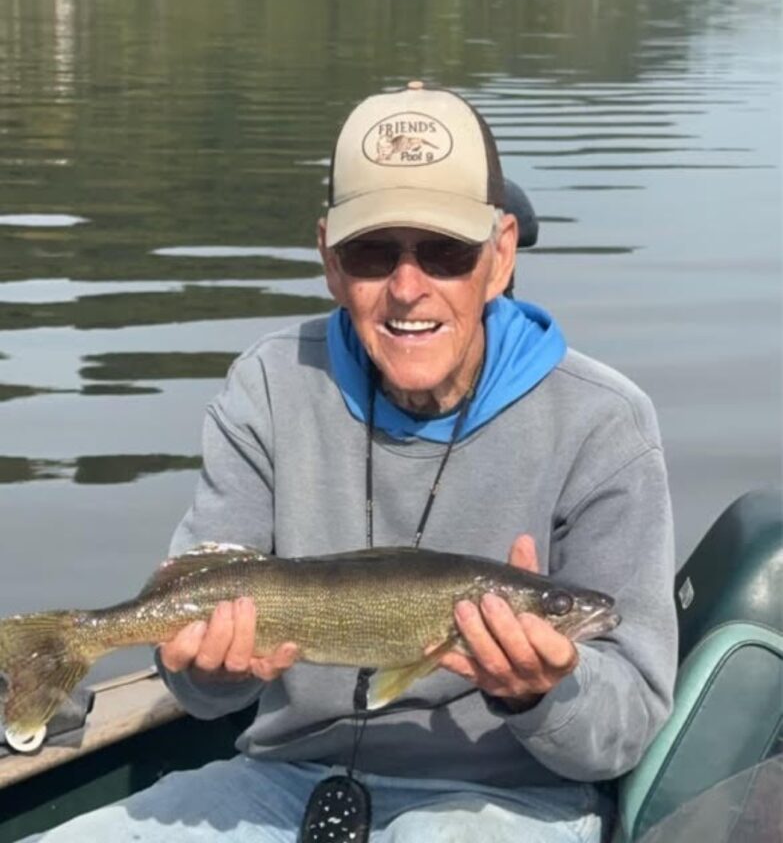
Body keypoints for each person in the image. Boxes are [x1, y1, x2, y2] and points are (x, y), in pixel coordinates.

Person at [33, 81, 677, 842]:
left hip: (510, 802)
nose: (407, 289)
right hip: (280, 778)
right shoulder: (267, 388)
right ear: (329, 261)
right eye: (372, 253)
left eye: (445, 252)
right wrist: (205, 674)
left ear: (500, 255)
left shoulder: (605, 423)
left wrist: (542, 692)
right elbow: (197, 692)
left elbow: (628, 726)